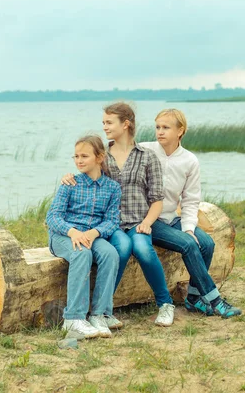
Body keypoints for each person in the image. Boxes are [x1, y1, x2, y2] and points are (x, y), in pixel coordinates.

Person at [64, 102, 176, 327]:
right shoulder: (102, 156)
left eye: (109, 122)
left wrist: (147, 222)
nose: (104, 127)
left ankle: (165, 303)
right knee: (122, 248)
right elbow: (85, 171)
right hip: (110, 223)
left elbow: (156, 199)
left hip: (138, 222)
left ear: (125, 124)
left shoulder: (147, 156)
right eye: (103, 122)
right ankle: (103, 310)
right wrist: (69, 177)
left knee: (143, 248)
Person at [142, 109, 242, 318]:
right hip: (150, 221)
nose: (160, 132)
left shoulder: (189, 160)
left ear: (180, 131)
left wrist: (188, 228)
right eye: (158, 127)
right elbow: (110, 154)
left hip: (172, 217)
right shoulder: (144, 151)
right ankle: (215, 300)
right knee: (188, 244)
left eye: (166, 127)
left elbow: (190, 200)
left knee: (206, 243)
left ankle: (194, 298)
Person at [46, 135, 122, 338]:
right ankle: (73, 319)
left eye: (84, 156)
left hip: (91, 236)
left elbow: (112, 220)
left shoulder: (112, 188)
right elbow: (52, 217)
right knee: (82, 253)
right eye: (76, 156)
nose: (79, 160)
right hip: (64, 235)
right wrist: (73, 232)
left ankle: (99, 314)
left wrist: (94, 232)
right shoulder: (70, 184)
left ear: (99, 157)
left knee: (110, 254)